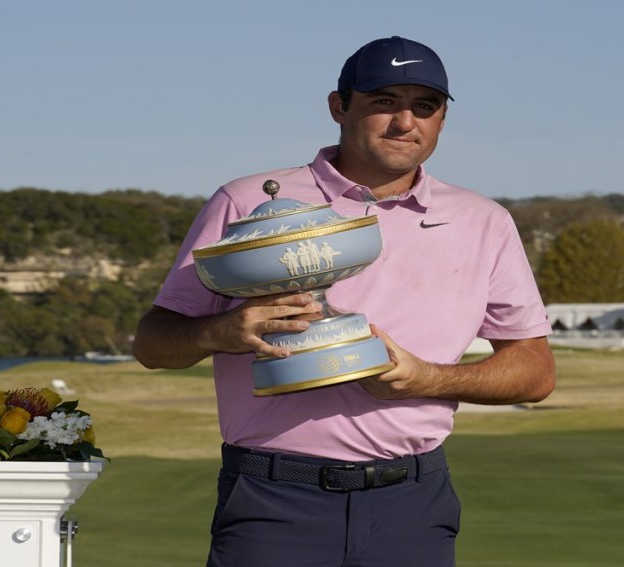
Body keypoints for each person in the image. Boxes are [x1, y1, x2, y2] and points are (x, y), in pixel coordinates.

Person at [133, 35, 555, 567]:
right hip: (272, 496)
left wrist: (430, 378)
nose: (406, 122)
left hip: (412, 501)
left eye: (424, 107)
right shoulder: (245, 200)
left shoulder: (482, 220)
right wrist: (218, 333)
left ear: (442, 118)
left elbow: (534, 372)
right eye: (385, 102)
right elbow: (152, 343)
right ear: (339, 105)